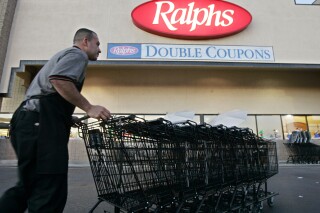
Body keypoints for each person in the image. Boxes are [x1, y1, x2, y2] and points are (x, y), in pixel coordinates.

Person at [0, 28, 111, 213]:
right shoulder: (77, 55)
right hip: (40, 125)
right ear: (85, 41)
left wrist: (67, 116)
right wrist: (89, 108)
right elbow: (59, 80)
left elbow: (49, 92)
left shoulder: (66, 55)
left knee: (28, 185)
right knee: (50, 188)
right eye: (97, 44)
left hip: (30, 121)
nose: (99, 50)